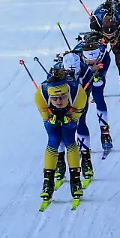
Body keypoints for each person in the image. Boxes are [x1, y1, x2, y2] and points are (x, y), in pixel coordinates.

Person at [35, 63, 87, 201]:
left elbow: (76, 116)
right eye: (55, 98)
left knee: (69, 138)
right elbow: (45, 116)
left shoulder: (78, 94)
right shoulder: (41, 95)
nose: (58, 101)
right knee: (53, 139)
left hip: (72, 110)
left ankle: (75, 181)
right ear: (49, 96)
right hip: (50, 112)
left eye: (62, 97)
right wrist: (50, 119)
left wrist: (69, 119)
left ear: (68, 92)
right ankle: (48, 182)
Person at [55, 52, 96, 181]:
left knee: (81, 123)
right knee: (59, 126)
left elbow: (86, 94)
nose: (72, 75)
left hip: (79, 97)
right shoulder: (55, 71)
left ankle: (86, 159)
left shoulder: (85, 71)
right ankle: (60, 161)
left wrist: (77, 105)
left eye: (75, 73)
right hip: (60, 100)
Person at [73, 32, 113, 152]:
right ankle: (82, 141)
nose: (92, 65)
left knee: (98, 96)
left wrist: (97, 75)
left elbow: (99, 79)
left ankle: (105, 133)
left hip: (95, 76)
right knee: (81, 111)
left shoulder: (105, 56)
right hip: (81, 79)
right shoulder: (76, 57)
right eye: (89, 63)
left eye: (95, 62)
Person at [90, 0, 120, 97]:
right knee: (99, 55)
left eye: (111, 34)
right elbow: (94, 36)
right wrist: (102, 39)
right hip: (100, 33)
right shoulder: (96, 22)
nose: (109, 37)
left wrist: (117, 37)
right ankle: (97, 80)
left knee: (117, 50)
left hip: (115, 31)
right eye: (107, 34)